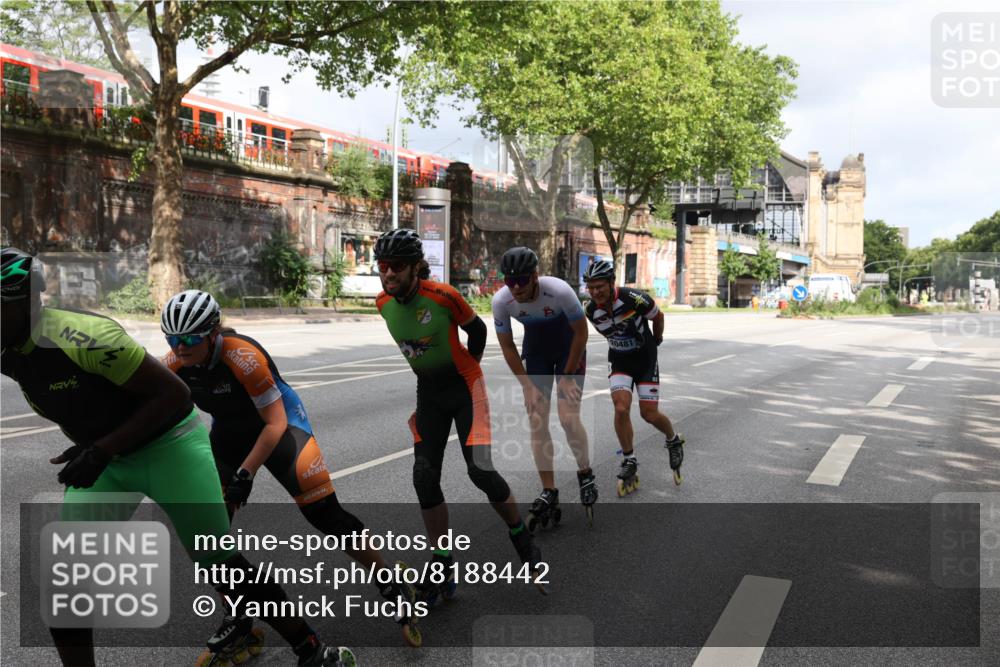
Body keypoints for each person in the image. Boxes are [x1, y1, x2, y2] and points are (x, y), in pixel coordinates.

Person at [0, 248, 354, 667]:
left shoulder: (84, 336)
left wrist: (102, 447)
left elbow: (174, 393)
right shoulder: (9, 348)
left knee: (217, 560)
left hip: (169, 445)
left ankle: (311, 649)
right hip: (107, 458)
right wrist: (96, 443)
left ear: (26, 301)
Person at [160, 289, 422, 651]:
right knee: (210, 531)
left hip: (282, 428)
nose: (181, 346)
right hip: (230, 434)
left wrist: (244, 476)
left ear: (213, 334)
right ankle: (237, 611)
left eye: (190, 338)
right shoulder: (173, 363)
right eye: (173, 339)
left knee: (325, 516)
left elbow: (274, 424)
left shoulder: (243, 358)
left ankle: (389, 580)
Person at [372, 229, 545, 595]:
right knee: (423, 476)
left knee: (480, 471)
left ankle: (521, 537)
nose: (389, 274)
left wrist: (470, 369)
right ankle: (442, 564)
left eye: (397, 267)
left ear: (416, 267)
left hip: (467, 388)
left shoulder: (443, 296)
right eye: (383, 266)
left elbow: (477, 331)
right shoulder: (382, 303)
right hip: (429, 393)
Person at [491, 247, 596, 527]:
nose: (515, 288)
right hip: (536, 351)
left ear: (535, 276)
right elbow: (507, 345)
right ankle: (549, 489)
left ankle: (585, 472)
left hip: (568, 350)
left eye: (522, 281)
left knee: (567, 417)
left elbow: (581, 332)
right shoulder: (502, 301)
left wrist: (568, 374)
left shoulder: (559, 291)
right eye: (509, 281)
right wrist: (526, 385)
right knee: (537, 418)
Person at [581, 259, 686, 492]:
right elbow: (606, 333)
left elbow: (658, 317)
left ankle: (672, 439)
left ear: (611, 283)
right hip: (619, 360)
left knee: (648, 414)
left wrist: (656, 340)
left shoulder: (634, 299)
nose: (595, 292)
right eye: (591, 287)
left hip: (645, 359)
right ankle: (629, 459)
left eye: (600, 286)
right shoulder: (590, 310)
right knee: (621, 408)